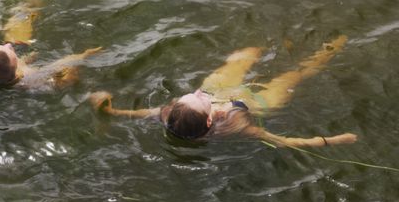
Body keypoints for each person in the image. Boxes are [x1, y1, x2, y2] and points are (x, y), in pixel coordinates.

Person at [89, 35, 357, 148]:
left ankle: (270, 40)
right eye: (199, 101)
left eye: (190, 96)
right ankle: (328, 51)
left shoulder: (170, 115)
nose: (197, 94)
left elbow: (132, 114)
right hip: (254, 101)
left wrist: (107, 109)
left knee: (247, 53)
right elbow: (283, 142)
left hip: (218, 90)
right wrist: (333, 140)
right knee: (295, 75)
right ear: (209, 121)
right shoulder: (234, 125)